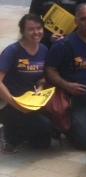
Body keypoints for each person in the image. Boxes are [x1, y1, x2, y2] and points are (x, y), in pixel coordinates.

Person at [45, 4, 86, 150]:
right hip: (75, 102)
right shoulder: (63, 45)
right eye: (83, 19)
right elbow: (50, 70)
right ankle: (66, 127)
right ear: (75, 21)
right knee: (85, 143)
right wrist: (66, 85)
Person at [0, 14, 53, 150]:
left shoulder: (44, 50)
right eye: (31, 29)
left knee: (43, 144)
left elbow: (43, 77)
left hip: (31, 102)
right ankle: (8, 133)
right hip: (10, 103)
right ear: (22, 31)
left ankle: (18, 133)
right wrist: (14, 103)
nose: (36, 32)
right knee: (43, 126)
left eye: (39, 28)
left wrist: (40, 87)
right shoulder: (12, 51)